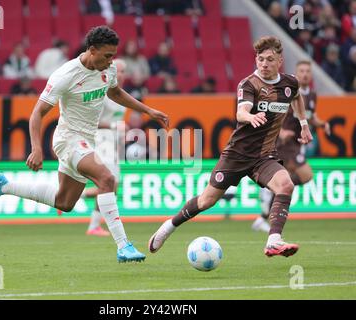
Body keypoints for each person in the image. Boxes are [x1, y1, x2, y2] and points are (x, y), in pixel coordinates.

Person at [0, 26, 169, 263]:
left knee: (64, 202)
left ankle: (4, 185)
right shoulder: (65, 74)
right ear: (92, 50)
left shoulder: (107, 69)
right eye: (107, 55)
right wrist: (36, 149)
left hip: (87, 141)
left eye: (113, 56)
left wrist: (148, 110)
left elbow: (115, 92)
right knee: (107, 179)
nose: (111, 61)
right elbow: (37, 114)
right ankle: (123, 246)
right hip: (68, 139)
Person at [148, 36, 313, 258]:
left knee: (285, 185)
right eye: (261, 59)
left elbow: (296, 97)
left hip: (264, 156)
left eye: (269, 59)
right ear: (256, 60)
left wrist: (303, 124)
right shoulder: (249, 84)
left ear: (280, 61)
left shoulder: (289, 83)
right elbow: (240, 111)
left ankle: (274, 240)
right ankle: (169, 226)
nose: (264, 64)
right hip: (237, 155)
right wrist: (249, 117)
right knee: (207, 200)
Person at [252, 60, 331, 232]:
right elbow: (272, 112)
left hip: (296, 144)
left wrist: (322, 124)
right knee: (306, 175)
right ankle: (268, 195)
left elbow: (310, 116)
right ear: (296, 72)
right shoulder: (288, 92)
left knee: (287, 182)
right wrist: (280, 132)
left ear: (311, 74)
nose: (304, 74)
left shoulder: (312, 95)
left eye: (307, 71)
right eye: (301, 71)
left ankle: (265, 208)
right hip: (283, 144)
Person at [82, 58, 128, 236]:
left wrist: (120, 134)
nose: (121, 74)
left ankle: (93, 224)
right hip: (101, 140)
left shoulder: (120, 94)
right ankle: (93, 224)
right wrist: (114, 127)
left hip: (112, 143)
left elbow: (115, 122)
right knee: (110, 183)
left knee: (112, 185)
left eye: (124, 71)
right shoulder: (102, 94)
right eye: (119, 70)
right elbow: (93, 121)